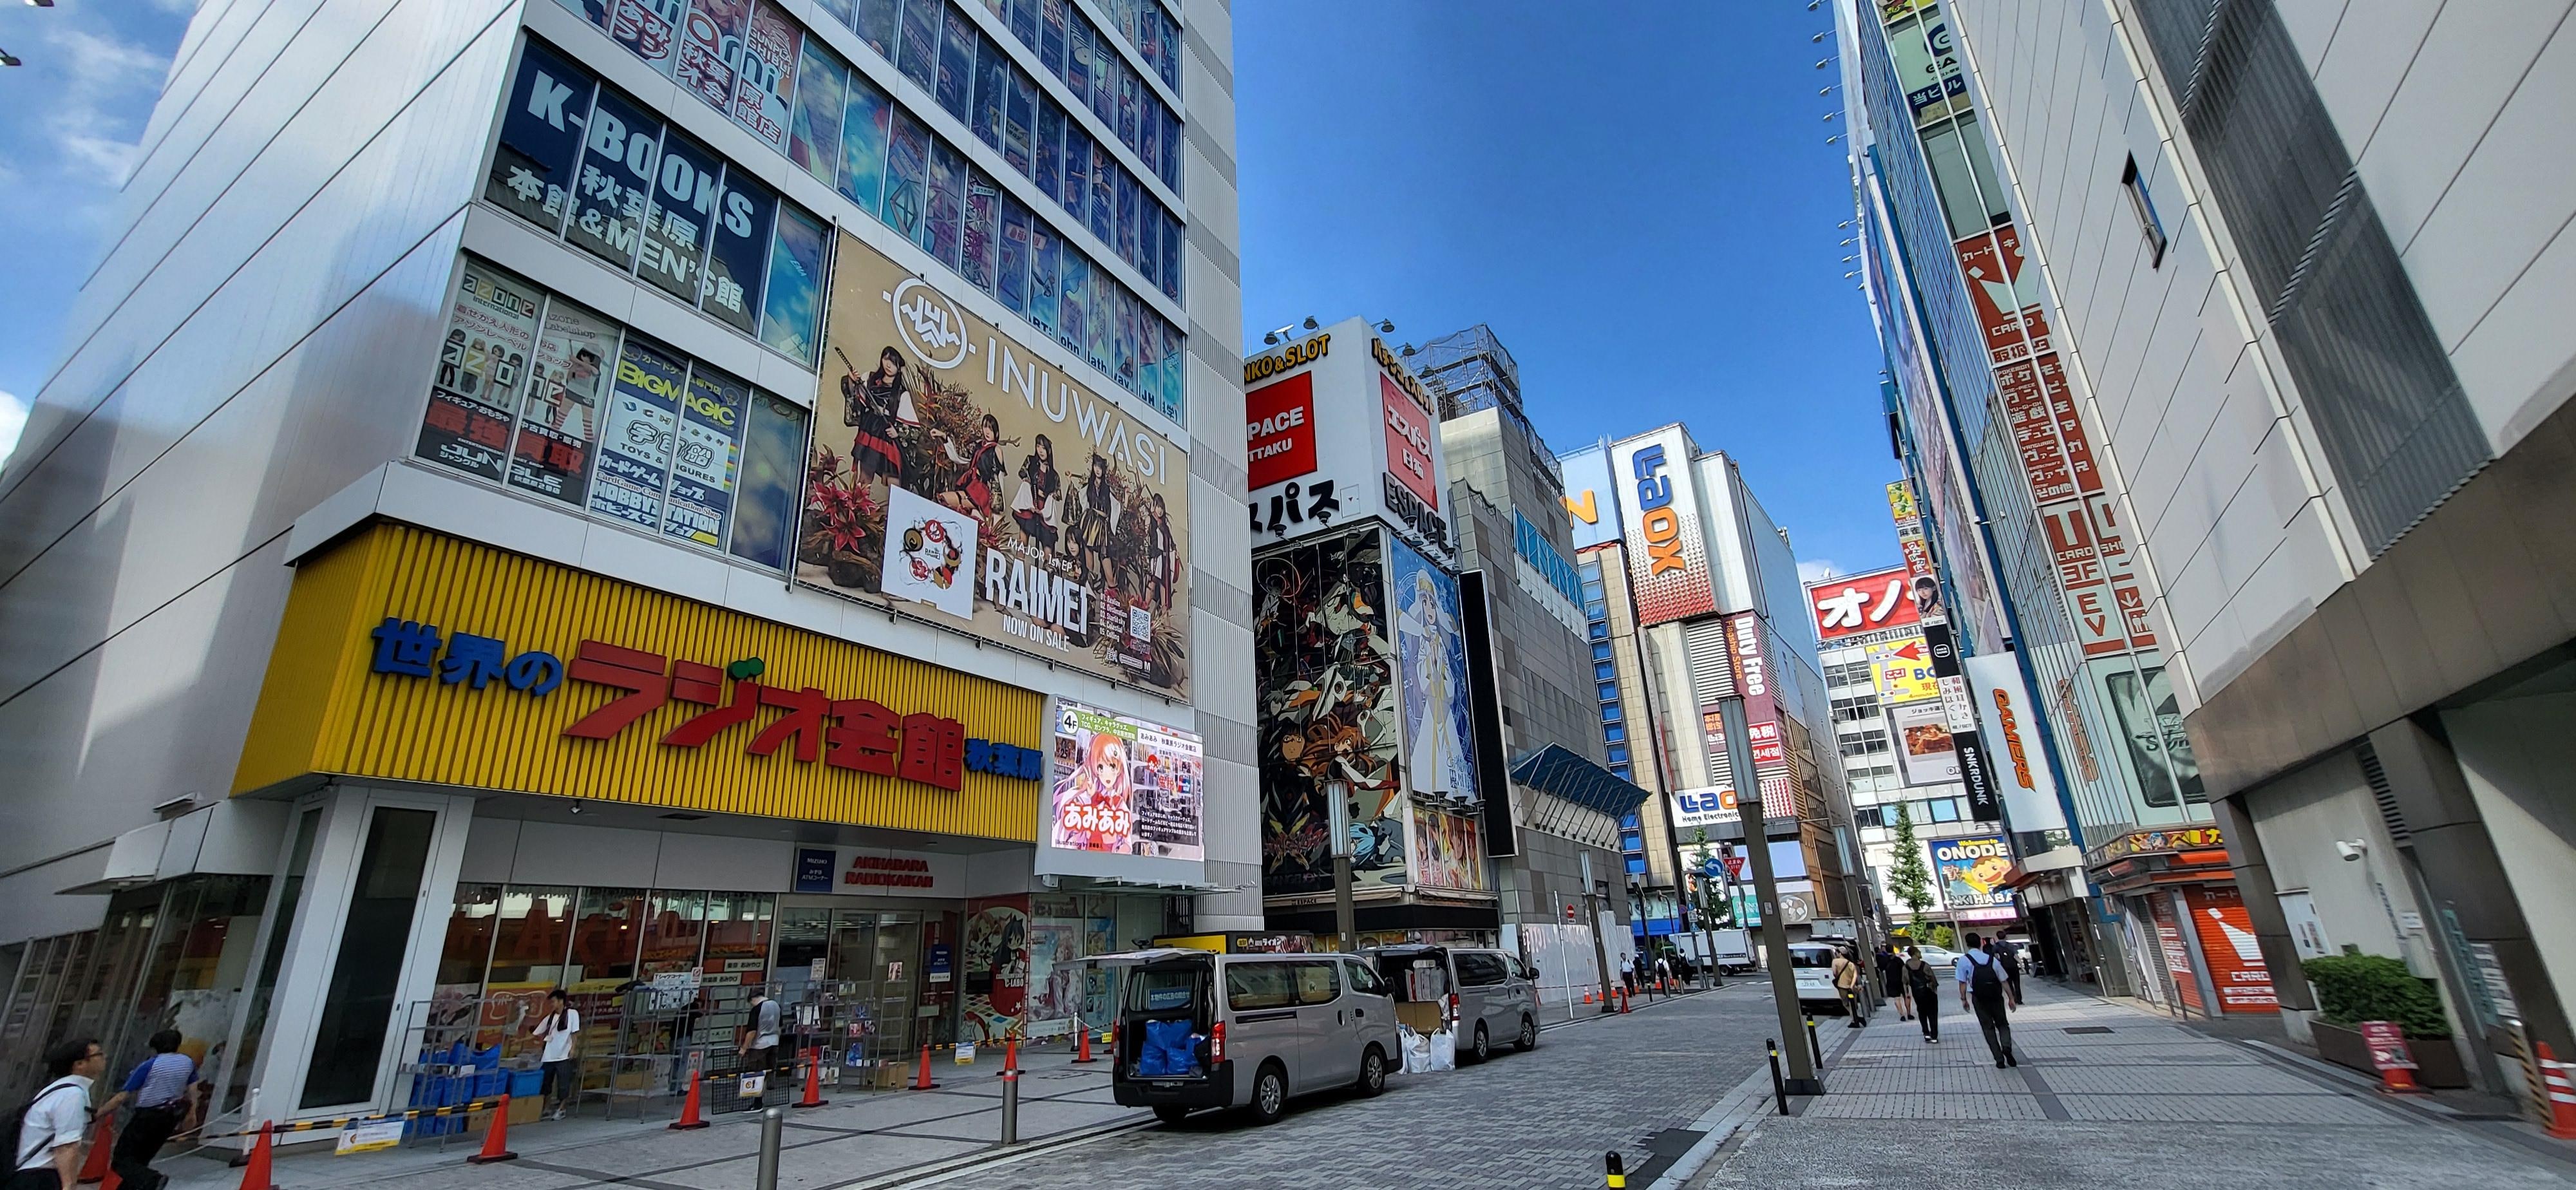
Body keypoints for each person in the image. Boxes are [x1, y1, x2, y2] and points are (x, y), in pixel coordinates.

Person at [93, 1030, 194, 1190]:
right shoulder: (187, 1062)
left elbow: (121, 1097)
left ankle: (153, 1179)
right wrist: (191, 1113)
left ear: (155, 1047)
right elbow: (192, 1089)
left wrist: (98, 1113)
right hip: (171, 1116)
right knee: (142, 1159)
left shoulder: (150, 1065)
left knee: (121, 1161)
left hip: (148, 1117)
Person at [13, 1037, 104, 1189]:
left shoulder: (60, 1089)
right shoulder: (72, 1094)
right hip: (41, 1177)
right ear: (79, 1064)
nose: (104, 1057)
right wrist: (69, 1185)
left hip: (31, 1174)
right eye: (99, 1055)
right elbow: (66, 1146)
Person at [1956, 931, 2016, 1068]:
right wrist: (2011, 998)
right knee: (2002, 1024)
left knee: (1988, 1028)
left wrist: (1964, 999)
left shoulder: (1964, 960)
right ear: (1981, 943)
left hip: (1979, 998)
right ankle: (2006, 1047)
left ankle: (1999, 1059)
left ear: (1967, 944)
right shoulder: (1991, 959)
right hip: (1996, 996)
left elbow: (1962, 983)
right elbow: (2004, 980)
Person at [531, 988, 582, 1120]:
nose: (552, 1005)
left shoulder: (572, 1014)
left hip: (564, 1055)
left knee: (563, 1083)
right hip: (549, 1055)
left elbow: (575, 1033)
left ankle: (562, 1108)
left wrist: (573, 1049)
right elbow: (537, 1032)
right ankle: (546, 1108)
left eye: (553, 1002)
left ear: (561, 1001)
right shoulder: (550, 1018)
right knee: (546, 1083)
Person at [737, 991, 782, 1105]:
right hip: (774, 1042)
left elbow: (752, 1031)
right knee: (767, 1072)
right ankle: (760, 1099)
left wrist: (744, 1048)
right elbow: (780, 1026)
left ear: (753, 999)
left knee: (756, 1073)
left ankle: (756, 1103)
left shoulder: (757, 1009)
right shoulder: (776, 1006)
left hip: (760, 1045)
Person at [1904, 945, 1940, 1043]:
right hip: (1929, 992)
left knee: (1922, 1013)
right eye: (1919, 952)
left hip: (1917, 993)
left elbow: (1905, 981)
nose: (1920, 954)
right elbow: (1933, 978)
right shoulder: (1925, 965)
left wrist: (1907, 993)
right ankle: (1934, 1036)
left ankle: (1926, 1033)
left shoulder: (1906, 967)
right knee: (1933, 1014)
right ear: (1916, 953)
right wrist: (1935, 988)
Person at [1830, 947, 1865, 1027]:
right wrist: (1852, 986)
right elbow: (1855, 976)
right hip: (1852, 986)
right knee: (1853, 1004)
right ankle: (1856, 1019)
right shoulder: (1851, 963)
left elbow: (1835, 973)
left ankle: (1856, 1019)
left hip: (1842, 986)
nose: (1836, 954)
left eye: (1837, 952)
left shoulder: (1835, 961)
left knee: (1846, 1004)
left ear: (1840, 953)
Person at [1875, 944, 1911, 1021]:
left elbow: (1881, 969)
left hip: (1891, 981)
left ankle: (1902, 1015)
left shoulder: (1884, 960)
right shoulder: (1898, 960)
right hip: (1901, 980)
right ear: (1893, 950)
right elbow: (1904, 969)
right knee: (1906, 996)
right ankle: (1909, 1013)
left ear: (1886, 950)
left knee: (1897, 998)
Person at [1992, 939, 2025, 1008]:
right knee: (2017, 984)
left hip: (2005, 967)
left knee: (2009, 984)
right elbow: (2016, 957)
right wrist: (2022, 966)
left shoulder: (1996, 946)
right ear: (2005, 936)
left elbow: (1996, 957)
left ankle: (2013, 998)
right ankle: (2019, 1000)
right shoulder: (2011, 946)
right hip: (2014, 967)